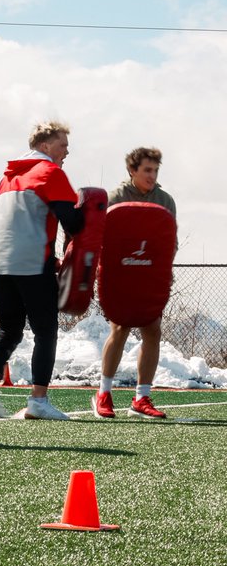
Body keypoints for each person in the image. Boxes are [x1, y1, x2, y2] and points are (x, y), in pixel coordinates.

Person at [0, 121, 84, 421]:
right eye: (63, 145)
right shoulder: (51, 172)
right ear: (46, 146)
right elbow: (72, 223)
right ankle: (38, 400)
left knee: (9, 330)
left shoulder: (8, 177)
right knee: (45, 331)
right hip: (32, 262)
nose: (67, 151)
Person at [92, 147, 177, 420]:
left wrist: (162, 273)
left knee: (153, 329)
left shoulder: (165, 200)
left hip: (150, 275)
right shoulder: (115, 198)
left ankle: (141, 397)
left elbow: (169, 243)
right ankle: (103, 393)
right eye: (147, 170)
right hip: (121, 275)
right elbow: (101, 240)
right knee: (120, 327)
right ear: (132, 171)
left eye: (155, 170)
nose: (152, 176)